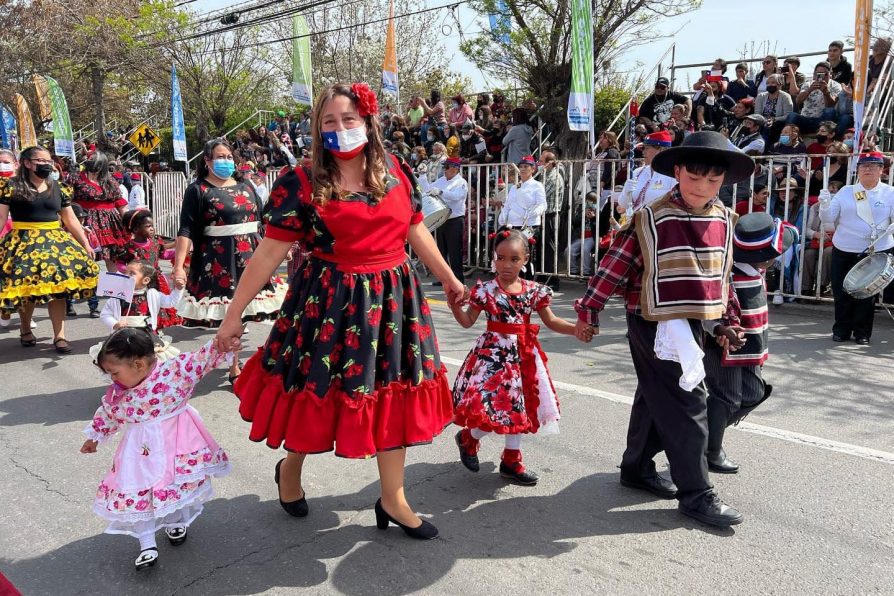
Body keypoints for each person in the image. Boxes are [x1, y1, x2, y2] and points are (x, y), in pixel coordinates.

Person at [215, 83, 465, 540]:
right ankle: (290, 470)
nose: (341, 129)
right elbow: (269, 253)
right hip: (329, 303)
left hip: (395, 302)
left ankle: (393, 497)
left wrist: (449, 280)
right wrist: (234, 313)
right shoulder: (302, 181)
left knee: (394, 391)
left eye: (349, 119)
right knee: (316, 394)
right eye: (329, 121)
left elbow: (416, 231)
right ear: (317, 128)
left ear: (367, 122)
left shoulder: (395, 170)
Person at [574, 131, 753, 528]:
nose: (702, 187)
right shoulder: (650, 216)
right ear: (677, 171)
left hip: (699, 318)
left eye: (713, 180)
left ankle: (636, 467)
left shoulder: (723, 216)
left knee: (656, 393)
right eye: (694, 177)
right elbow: (613, 266)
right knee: (689, 400)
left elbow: (721, 275)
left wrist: (729, 320)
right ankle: (696, 494)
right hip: (654, 319)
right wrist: (589, 312)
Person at [80, 328, 232, 571]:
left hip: (179, 443)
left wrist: (224, 341)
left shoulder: (175, 372)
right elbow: (109, 413)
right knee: (137, 490)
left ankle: (175, 521)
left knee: (173, 486)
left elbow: (202, 358)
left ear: (139, 364)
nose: (113, 379)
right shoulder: (121, 394)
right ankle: (147, 544)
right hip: (139, 451)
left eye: (115, 372)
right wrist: (95, 437)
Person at [451, 227, 581, 485]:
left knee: (519, 408)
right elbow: (467, 321)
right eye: (500, 257)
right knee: (490, 408)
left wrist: (576, 329)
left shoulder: (535, 291)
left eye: (513, 259)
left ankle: (511, 459)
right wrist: (455, 306)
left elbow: (552, 321)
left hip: (523, 356)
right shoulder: (485, 290)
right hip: (491, 358)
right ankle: (469, 438)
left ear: (526, 259)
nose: (505, 264)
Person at [172, 138, 287, 382]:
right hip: (220, 261)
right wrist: (178, 267)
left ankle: (245, 357)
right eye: (219, 157)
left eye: (228, 157)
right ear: (207, 161)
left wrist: (279, 247)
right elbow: (186, 230)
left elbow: (263, 219)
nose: (225, 161)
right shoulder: (198, 190)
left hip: (253, 255)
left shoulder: (246, 186)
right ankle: (234, 365)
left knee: (252, 311)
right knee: (233, 312)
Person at [702, 213, 794, 473]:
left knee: (754, 393)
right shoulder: (727, 275)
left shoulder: (755, 269)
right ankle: (710, 449)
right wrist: (720, 330)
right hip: (724, 346)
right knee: (727, 397)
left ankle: (700, 437)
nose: (777, 256)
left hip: (751, 348)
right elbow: (710, 311)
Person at [0, 146, 99, 353]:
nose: (47, 165)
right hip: (23, 244)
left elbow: (70, 219)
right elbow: (1, 218)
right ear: (27, 163)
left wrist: (85, 243)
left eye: (49, 161)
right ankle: (25, 329)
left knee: (59, 291)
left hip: (56, 245)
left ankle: (60, 336)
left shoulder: (60, 188)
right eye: (40, 161)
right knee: (27, 291)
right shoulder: (10, 186)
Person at [820, 152, 894, 345]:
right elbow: (828, 220)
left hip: (875, 250)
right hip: (845, 247)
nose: (868, 169)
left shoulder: (890, 192)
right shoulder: (846, 191)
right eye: (863, 166)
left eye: (873, 166)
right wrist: (824, 205)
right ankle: (841, 330)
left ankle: (862, 332)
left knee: (867, 294)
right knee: (841, 289)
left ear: (881, 170)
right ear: (857, 171)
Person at [95, 260, 184, 361]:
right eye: (126, 272)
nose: (126, 276)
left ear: (145, 280)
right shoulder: (118, 295)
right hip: (123, 333)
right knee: (124, 358)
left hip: (145, 334)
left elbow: (170, 302)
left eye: (131, 273)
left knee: (145, 358)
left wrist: (179, 289)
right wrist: (115, 324)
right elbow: (105, 314)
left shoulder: (153, 294)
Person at [73, 151, 130, 272]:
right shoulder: (76, 179)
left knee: (111, 256)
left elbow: (120, 203)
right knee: (85, 253)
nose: (94, 169)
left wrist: (129, 222)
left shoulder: (110, 181)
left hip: (110, 223)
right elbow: (68, 202)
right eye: (92, 165)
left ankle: (114, 285)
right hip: (86, 221)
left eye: (98, 166)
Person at [429, 157, 468, 285]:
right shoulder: (441, 180)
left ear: (456, 169)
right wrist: (423, 176)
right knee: (442, 250)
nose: (444, 170)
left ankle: (458, 279)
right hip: (442, 218)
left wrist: (441, 192)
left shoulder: (461, 182)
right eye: (444, 167)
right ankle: (444, 279)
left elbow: (457, 196)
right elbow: (428, 188)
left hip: (455, 219)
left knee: (454, 251)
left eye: (447, 167)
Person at [617, 130, 676, 215]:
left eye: (647, 148)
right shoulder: (638, 172)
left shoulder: (672, 175)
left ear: (661, 150)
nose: (643, 152)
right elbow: (623, 204)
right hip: (637, 224)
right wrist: (626, 192)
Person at [802, 180, 841, 297]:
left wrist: (831, 237)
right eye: (830, 188)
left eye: (835, 188)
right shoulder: (815, 207)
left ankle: (821, 286)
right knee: (808, 254)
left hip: (834, 241)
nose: (831, 190)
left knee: (828, 253)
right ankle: (805, 288)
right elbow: (807, 229)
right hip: (817, 239)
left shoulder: (841, 207)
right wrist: (816, 234)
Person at [65, 203, 102, 318]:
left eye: (82, 219)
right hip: (70, 262)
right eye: (78, 219)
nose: (80, 222)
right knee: (70, 285)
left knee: (91, 285)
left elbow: (95, 246)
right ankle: (69, 306)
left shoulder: (88, 230)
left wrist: (89, 235)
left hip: (87, 261)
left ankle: (93, 307)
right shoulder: (63, 231)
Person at [498, 156, 546, 243]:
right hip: (513, 225)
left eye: (526, 166)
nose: (522, 169)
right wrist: (503, 216)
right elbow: (508, 205)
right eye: (521, 166)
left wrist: (532, 213)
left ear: (533, 169)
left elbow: (542, 205)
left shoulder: (537, 185)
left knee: (528, 252)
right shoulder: (514, 187)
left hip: (529, 225)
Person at [786, 62, 841, 135]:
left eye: (824, 74)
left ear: (830, 74)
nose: (821, 77)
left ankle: (823, 135)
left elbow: (830, 105)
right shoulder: (808, 84)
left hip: (822, 120)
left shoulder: (836, 86)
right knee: (792, 115)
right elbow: (798, 101)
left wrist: (826, 93)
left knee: (830, 111)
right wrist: (809, 90)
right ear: (814, 75)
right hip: (805, 119)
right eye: (818, 74)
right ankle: (788, 138)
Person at [539, 150, 565, 288]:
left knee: (550, 247)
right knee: (543, 247)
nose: (539, 164)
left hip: (551, 215)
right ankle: (543, 275)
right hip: (545, 214)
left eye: (542, 162)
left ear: (549, 163)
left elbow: (541, 193)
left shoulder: (554, 177)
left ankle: (552, 278)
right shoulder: (545, 175)